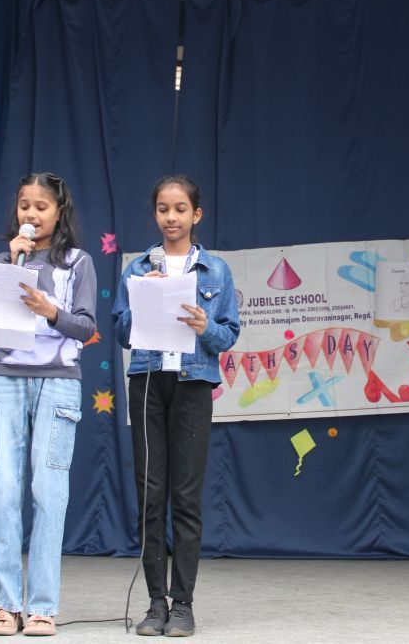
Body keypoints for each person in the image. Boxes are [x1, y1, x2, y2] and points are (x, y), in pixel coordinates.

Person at [113, 175, 240, 638]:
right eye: (164, 209)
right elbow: (122, 333)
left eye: (180, 209)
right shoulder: (137, 267)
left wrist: (206, 326)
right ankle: (154, 603)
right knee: (150, 496)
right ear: (155, 214)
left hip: (193, 386)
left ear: (196, 214)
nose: (172, 217)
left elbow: (229, 335)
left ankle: (183, 603)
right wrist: (141, 301)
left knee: (186, 497)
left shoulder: (216, 270)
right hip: (148, 382)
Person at [0, 172, 97, 637]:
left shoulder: (78, 262)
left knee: (49, 491)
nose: (31, 214)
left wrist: (51, 311)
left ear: (59, 212)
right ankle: (6, 604)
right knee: (2, 489)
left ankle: (43, 606)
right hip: (4, 376)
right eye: (24, 205)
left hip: (58, 380)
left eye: (41, 206)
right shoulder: (3, 260)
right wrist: (12, 266)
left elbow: (86, 327)